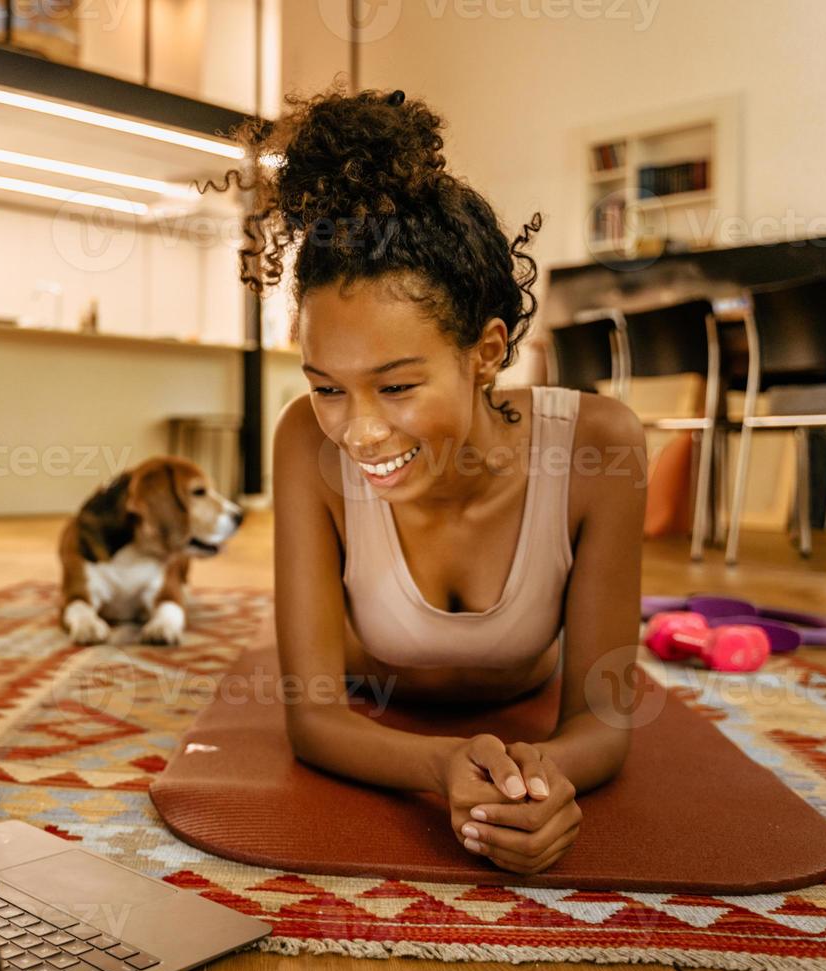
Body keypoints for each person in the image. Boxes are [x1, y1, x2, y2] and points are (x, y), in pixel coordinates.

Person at [212, 85, 647, 875]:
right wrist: (438, 767)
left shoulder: (599, 449)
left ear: (484, 352)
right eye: (328, 384)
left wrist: (541, 781)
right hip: (376, 697)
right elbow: (315, 723)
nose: (361, 431)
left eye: (399, 386)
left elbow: (602, 724)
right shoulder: (304, 441)